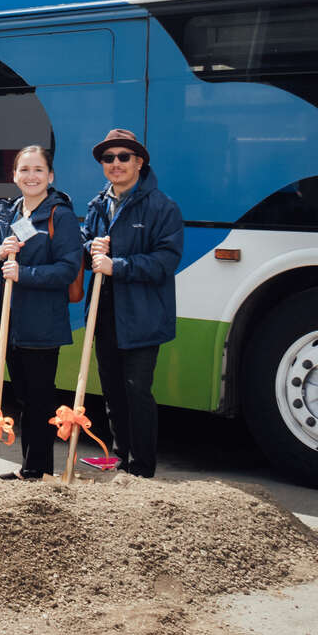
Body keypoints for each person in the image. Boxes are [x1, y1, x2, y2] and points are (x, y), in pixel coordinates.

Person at [82, 128, 184, 478]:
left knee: (136, 391)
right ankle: (119, 457)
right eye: (108, 159)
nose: (115, 164)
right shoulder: (98, 204)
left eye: (124, 157)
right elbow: (84, 250)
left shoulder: (162, 207)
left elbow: (165, 262)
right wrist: (89, 250)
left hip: (142, 317)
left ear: (139, 162)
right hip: (105, 313)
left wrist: (117, 266)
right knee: (112, 392)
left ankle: (141, 469)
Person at [0, 146, 83, 479]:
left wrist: (24, 274)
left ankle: (39, 472)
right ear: (14, 176)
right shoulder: (10, 214)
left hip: (41, 326)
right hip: (11, 323)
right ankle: (30, 469)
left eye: (38, 170)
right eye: (24, 170)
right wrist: (0, 252)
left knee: (39, 401)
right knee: (23, 398)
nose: (31, 176)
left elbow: (68, 269)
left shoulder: (60, 215)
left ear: (50, 176)